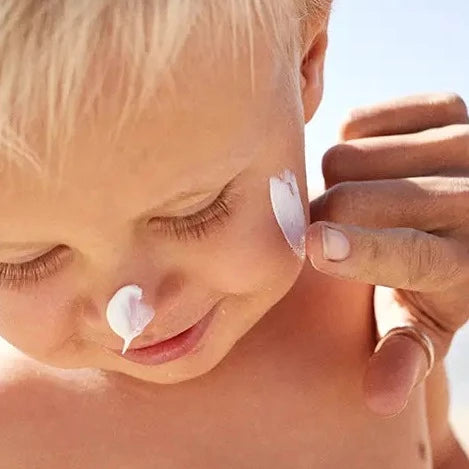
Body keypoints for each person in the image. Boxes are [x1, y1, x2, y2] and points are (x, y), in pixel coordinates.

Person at [0, 1, 467, 467]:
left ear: (305, 65)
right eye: (25, 260)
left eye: (196, 211)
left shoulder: (381, 311)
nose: (132, 314)